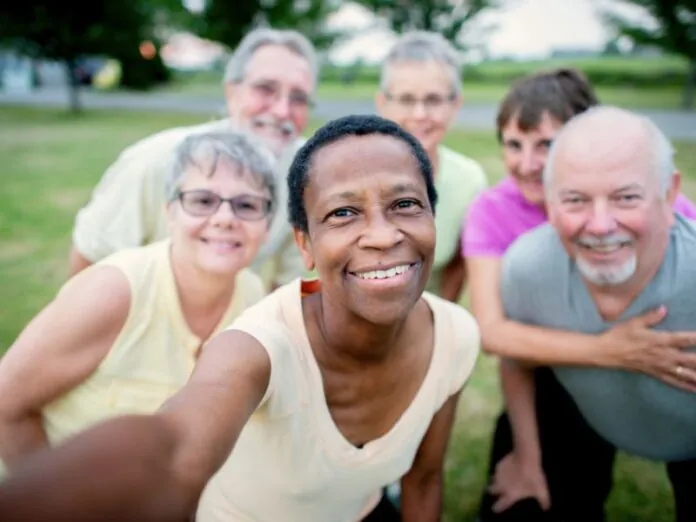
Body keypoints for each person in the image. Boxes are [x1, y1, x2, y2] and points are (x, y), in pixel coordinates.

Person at [0, 114, 481, 522]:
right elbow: (176, 447)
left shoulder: (455, 336)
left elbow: (423, 476)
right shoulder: (258, 341)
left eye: (405, 204)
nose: (381, 235)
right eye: (343, 213)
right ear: (304, 245)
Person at [462, 70, 696, 522]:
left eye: (544, 145)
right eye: (514, 144)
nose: (527, 163)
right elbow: (497, 335)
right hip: (561, 364)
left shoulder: (664, 216)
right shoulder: (502, 223)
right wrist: (612, 351)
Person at [0, 130, 275, 476]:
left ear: (267, 225)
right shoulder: (112, 291)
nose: (224, 218)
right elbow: (5, 404)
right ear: (169, 213)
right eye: (202, 201)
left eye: (246, 205)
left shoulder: (253, 298)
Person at [68, 28, 317, 289]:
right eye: (265, 89)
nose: (282, 111)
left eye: (299, 98)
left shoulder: (306, 173)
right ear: (232, 93)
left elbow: (289, 282)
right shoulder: (156, 160)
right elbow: (90, 261)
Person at [376, 30, 487, 302]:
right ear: (382, 103)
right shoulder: (350, 173)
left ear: (455, 105)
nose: (420, 114)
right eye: (406, 99)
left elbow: (457, 268)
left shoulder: (469, 181)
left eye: (434, 100)